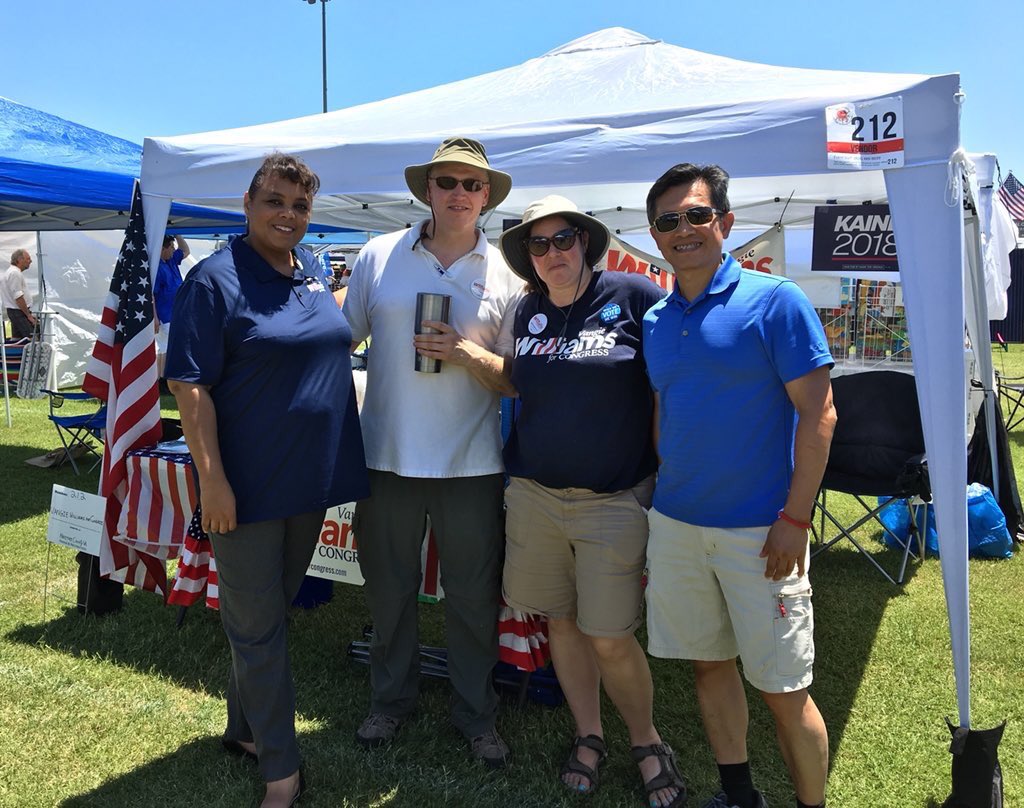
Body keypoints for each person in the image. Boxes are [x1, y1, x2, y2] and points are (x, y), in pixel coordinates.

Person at [166, 153, 368, 808]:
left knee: (266, 618)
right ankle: (282, 771)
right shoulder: (213, 281)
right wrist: (212, 481)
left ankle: (244, 727)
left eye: (300, 206)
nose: (288, 215)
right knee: (256, 628)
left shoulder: (308, 271)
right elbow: (188, 385)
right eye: (275, 201)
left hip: (307, 484)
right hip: (246, 488)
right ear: (248, 203)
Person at [642, 163, 836, 808]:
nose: (684, 230)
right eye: (668, 221)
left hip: (761, 532)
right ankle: (739, 794)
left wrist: (796, 519)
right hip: (677, 523)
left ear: (724, 223)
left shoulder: (776, 300)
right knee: (708, 664)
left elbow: (820, 414)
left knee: (783, 690)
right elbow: (667, 407)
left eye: (697, 215)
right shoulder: (659, 318)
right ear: (655, 234)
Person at [496, 196, 684, 807]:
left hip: (613, 499)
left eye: (564, 239)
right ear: (528, 256)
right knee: (563, 623)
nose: (553, 253)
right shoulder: (525, 309)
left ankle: (648, 740)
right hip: (535, 496)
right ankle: (589, 733)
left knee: (610, 634)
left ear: (586, 242)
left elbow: (676, 374)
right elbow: (513, 380)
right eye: (539, 244)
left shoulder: (633, 296)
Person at [342, 136, 520, 767]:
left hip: (472, 462)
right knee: (388, 590)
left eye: (473, 185)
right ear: (427, 190)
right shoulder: (378, 255)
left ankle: (476, 715)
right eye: (448, 182)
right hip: (387, 454)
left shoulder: (507, 272)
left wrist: (467, 354)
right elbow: (342, 336)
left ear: (487, 196)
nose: (460, 194)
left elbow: (513, 378)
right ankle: (390, 701)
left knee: (473, 597)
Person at [154, 235, 190, 378]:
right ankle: (166, 378)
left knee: (164, 347)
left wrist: (177, 234)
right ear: (163, 249)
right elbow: (152, 294)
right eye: (171, 248)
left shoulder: (171, 261)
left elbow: (186, 251)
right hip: (165, 314)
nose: (174, 250)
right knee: (169, 347)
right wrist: (155, 317)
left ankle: (162, 378)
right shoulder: (157, 267)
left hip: (175, 312)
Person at [2, 249, 36, 338]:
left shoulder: (13, 272)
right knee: (32, 339)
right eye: (28, 259)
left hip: (16, 311)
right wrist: (28, 315)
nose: (30, 261)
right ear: (20, 260)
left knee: (18, 339)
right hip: (18, 312)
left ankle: (17, 351)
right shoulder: (14, 273)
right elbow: (18, 297)